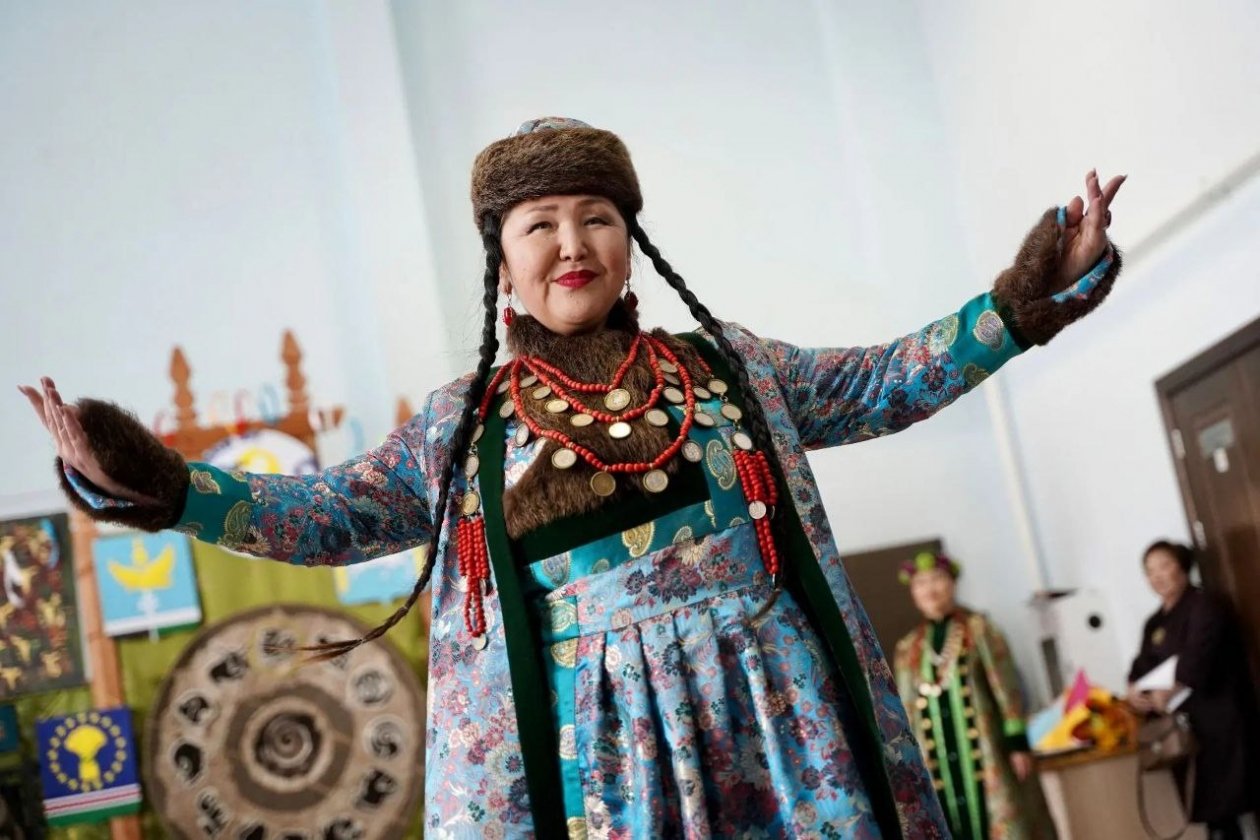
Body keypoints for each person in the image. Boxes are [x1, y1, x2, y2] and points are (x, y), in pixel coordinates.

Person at [20, 117, 1124, 838]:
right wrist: (162, 484)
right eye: (539, 224)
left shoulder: (730, 370)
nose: (572, 242)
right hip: (598, 760)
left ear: (629, 241)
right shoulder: (461, 429)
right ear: (502, 258)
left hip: (785, 728)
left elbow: (888, 381)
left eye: (597, 217)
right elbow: (321, 515)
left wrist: (1026, 300)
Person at [892, 552, 1057, 839]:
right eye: (920, 583)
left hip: (988, 753)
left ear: (953, 583)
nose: (930, 589)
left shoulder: (980, 630)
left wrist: (1017, 744)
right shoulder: (908, 649)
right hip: (936, 763)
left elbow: (1006, 687)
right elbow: (905, 710)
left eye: (937, 579)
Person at [1127, 540, 1260, 840]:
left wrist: (1170, 690)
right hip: (1185, 731)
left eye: (1164, 566)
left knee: (1233, 802)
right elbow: (1142, 665)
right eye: (1150, 571)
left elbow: (1198, 657)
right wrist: (1135, 690)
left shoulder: (1205, 605)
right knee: (1211, 813)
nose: (1157, 576)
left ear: (1182, 566)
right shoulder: (1154, 623)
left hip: (1220, 722)